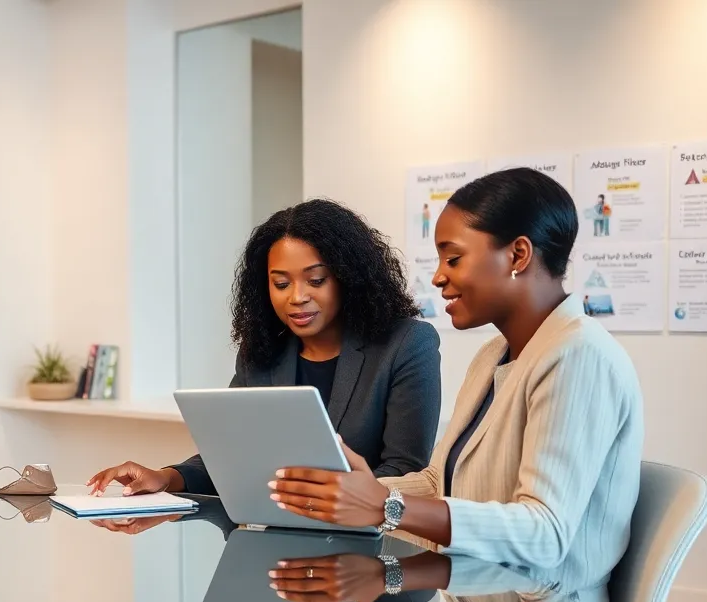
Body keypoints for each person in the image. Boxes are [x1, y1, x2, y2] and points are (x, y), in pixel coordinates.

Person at [268, 168, 644, 602]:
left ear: (518, 254)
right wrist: (339, 497)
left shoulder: (580, 356)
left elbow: (545, 534)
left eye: (453, 258)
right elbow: (437, 482)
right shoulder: (494, 355)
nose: (440, 278)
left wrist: (384, 505)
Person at [87, 199, 441, 502]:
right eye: (281, 283)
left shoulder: (407, 344)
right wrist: (166, 478)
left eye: (316, 280)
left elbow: (406, 472)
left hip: (371, 551)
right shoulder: (262, 351)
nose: (297, 296)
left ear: (349, 277)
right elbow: (229, 456)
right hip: (273, 541)